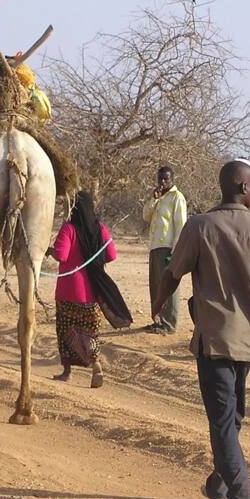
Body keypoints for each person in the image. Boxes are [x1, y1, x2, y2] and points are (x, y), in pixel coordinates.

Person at [153, 161, 250, 499]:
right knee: (232, 417)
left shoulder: (199, 226)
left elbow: (172, 272)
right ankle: (219, 485)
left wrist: (157, 305)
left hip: (215, 338)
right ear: (246, 188)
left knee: (225, 421)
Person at [48, 191, 129, 387]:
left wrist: (49, 250)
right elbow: (111, 254)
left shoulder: (69, 228)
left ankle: (67, 372)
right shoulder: (100, 228)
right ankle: (96, 366)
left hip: (68, 290)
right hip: (91, 293)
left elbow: (62, 255)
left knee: (66, 330)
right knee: (90, 333)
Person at [142, 166, 188, 334]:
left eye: (166, 179)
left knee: (169, 285)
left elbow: (180, 226)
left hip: (168, 248)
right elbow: (146, 217)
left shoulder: (177, 197)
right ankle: (158, 320)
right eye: (160, 178)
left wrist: (176, 251)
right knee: (156, 284)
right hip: (155, 247)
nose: (162, 182)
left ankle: (169, 323)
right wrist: (153, 200)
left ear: (172, 179)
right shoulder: (158, 197)